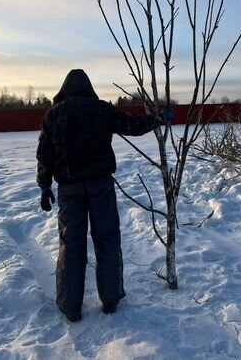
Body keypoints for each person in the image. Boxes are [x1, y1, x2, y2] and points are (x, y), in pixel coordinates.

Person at [36, 69, 162, 322]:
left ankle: (70, 306)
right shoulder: (101, 109)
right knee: (107, 239)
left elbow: (44, 154)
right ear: (88, 87)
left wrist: (44, 185)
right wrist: (157, 119)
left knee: (71, 245)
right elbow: (131, 126)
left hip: (70, 190)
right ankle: (111, 299)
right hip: (100, 186)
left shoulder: (53, 115)